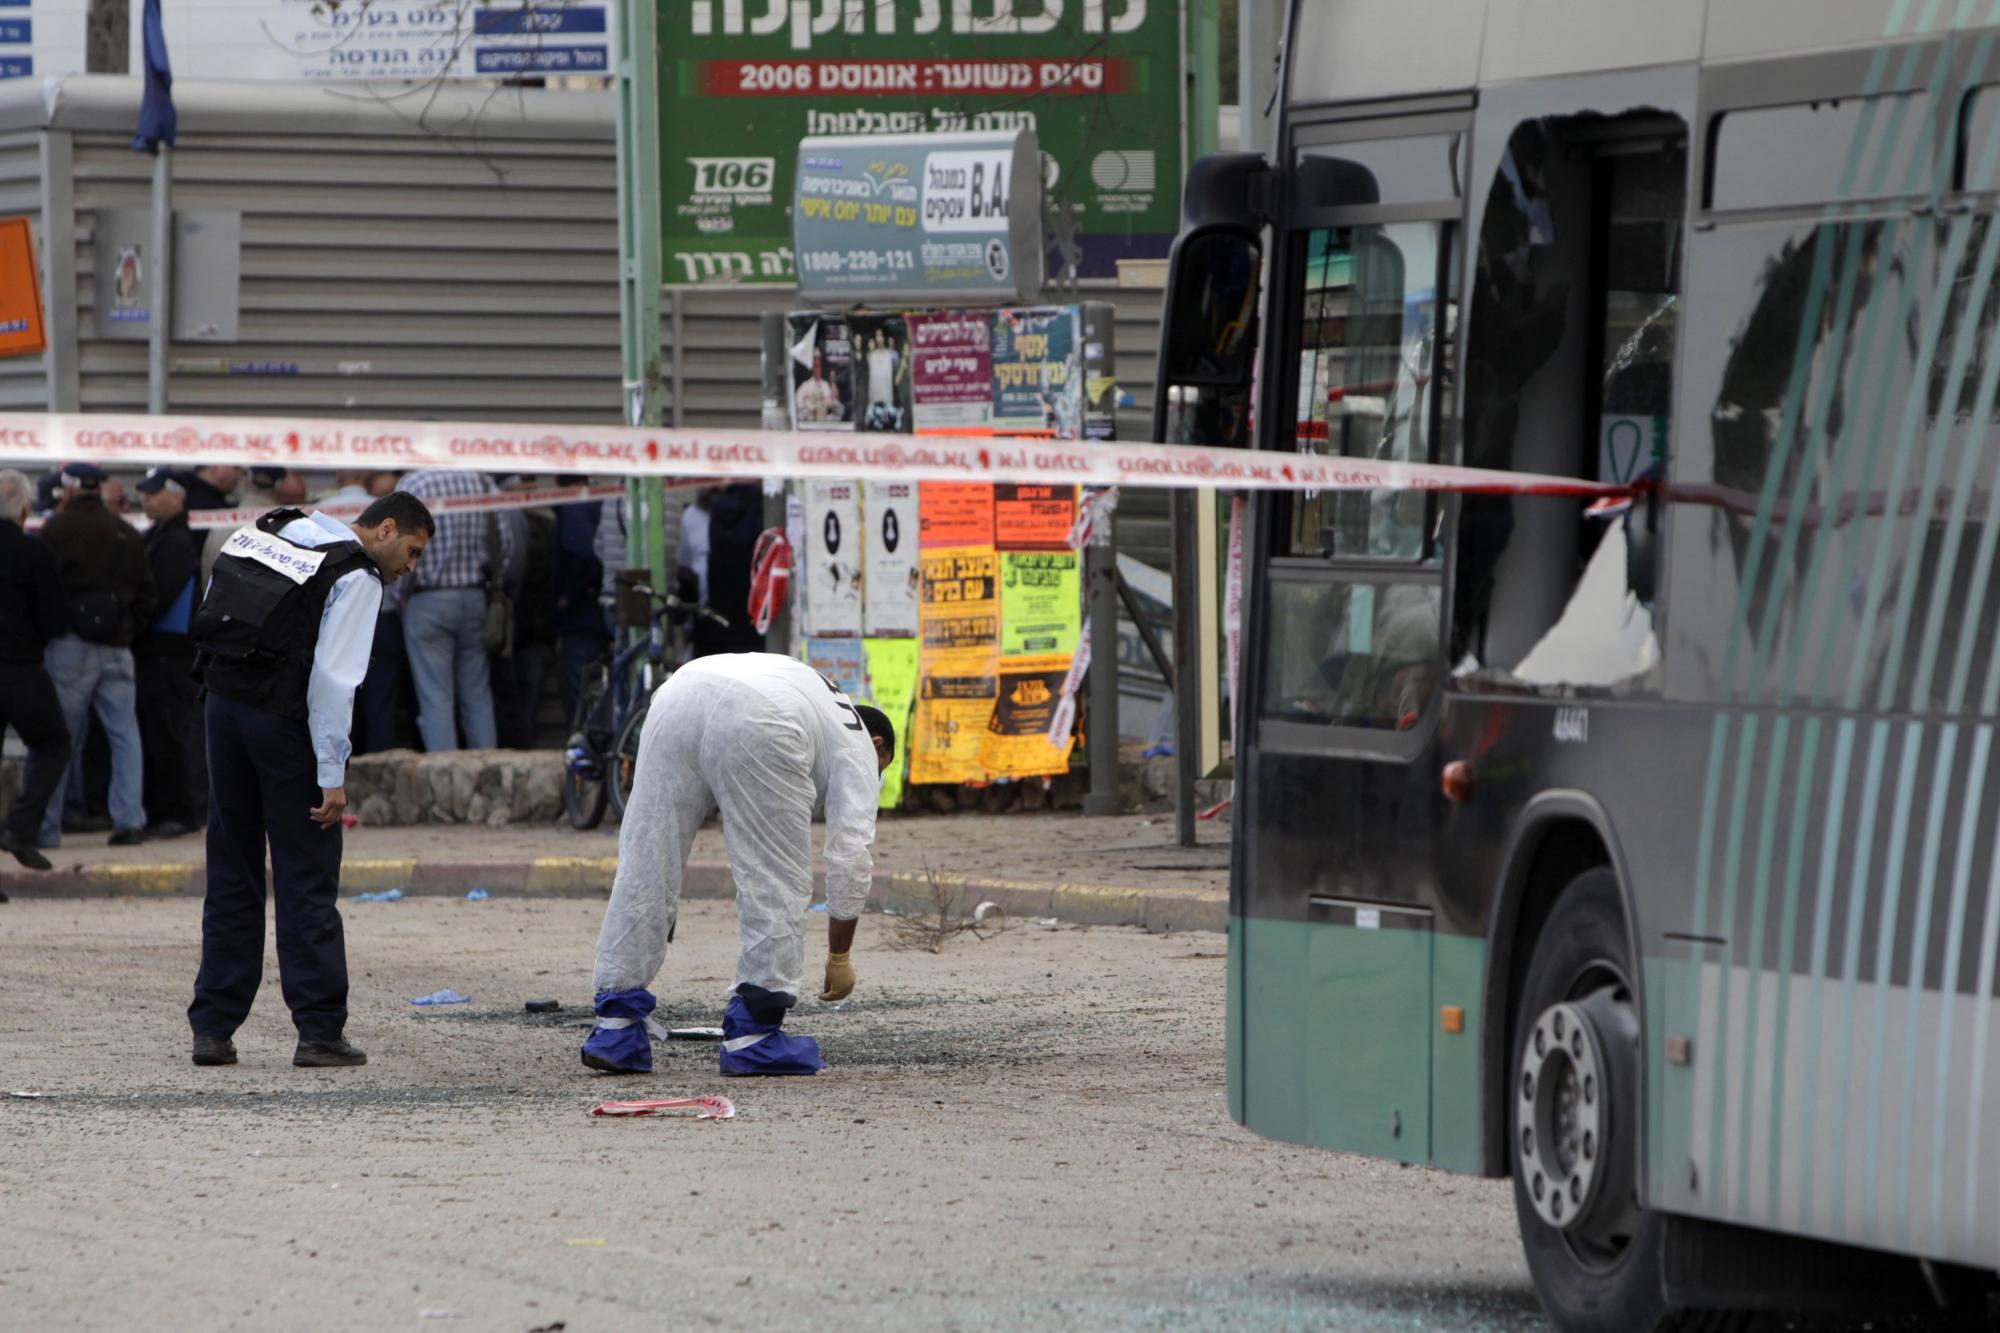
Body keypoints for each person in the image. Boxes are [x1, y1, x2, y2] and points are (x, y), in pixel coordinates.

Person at [186, 491, 432, 1069]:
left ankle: (213, 1029)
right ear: (386, 528)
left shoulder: (280, 528)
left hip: (222, 707)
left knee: (232, 872)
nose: (410, 568)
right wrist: (331, 774)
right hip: (282, 725)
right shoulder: (357, 576)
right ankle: (319, 1032)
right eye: (412, 551)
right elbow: (332, 681)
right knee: (306, 878)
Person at [582, 652, 894, 1077]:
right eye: (882, 769)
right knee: (775, 876)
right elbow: (851, 854)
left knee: (647, 858)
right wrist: (839, 956)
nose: (875, 778)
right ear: (878, 746)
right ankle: (754, 1033)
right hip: (762, 716)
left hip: (679, 692)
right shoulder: (859, 743)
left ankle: (616, 1024)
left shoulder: (821, 698)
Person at [38, 463, 155, 848]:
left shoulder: (54, 530)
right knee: (125, 735)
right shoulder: (125, 531)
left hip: (70, 646)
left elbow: (41, 588)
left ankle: (47, 826)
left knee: (60, 739)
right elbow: (146, 592)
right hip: (118, 648)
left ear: (69, 489)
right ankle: (129, 822)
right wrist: (125, 628)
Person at [395, 469, 517, 751]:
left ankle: (444, 773)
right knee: (477, 693)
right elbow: (505, 540)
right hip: (475, 596)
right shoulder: (482, 481)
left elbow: (400, 545)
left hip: (428, 599)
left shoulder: (415, 483)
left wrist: (401, 592)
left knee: (436, 696)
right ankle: (486, 768)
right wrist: (495, 581)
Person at [0, 469, 72, 876]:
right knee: (54, 744)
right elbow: (54, 620)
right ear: (25, 509)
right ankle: (20, 828)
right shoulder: (34, 552)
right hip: (21, 671)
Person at [134, 468, 202, 839]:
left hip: (169, 653)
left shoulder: (175, 542)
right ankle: (163, 810)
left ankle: (178, 811)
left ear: (176, 496)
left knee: (168, 733)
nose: (145, 499)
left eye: (153, 493)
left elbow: (158, 596)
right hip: (157, 652)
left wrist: (132, 624)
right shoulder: (157, 537)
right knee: (156, 732)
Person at [319, 473, 409, 753]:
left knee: (340, 698)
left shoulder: (321, 512)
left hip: (338, 618)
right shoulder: (388, 516)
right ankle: (381, 764)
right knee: (380, 699)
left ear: (336, 477)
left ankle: (345, 768)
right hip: (382, 617)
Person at [549, 479, 610, 719]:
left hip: (581, 614)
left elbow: (583, 556)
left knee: (580, 684)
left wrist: (566, 597)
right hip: (596, 609)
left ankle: (587, 740)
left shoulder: (577, 508)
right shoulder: (595, 503)